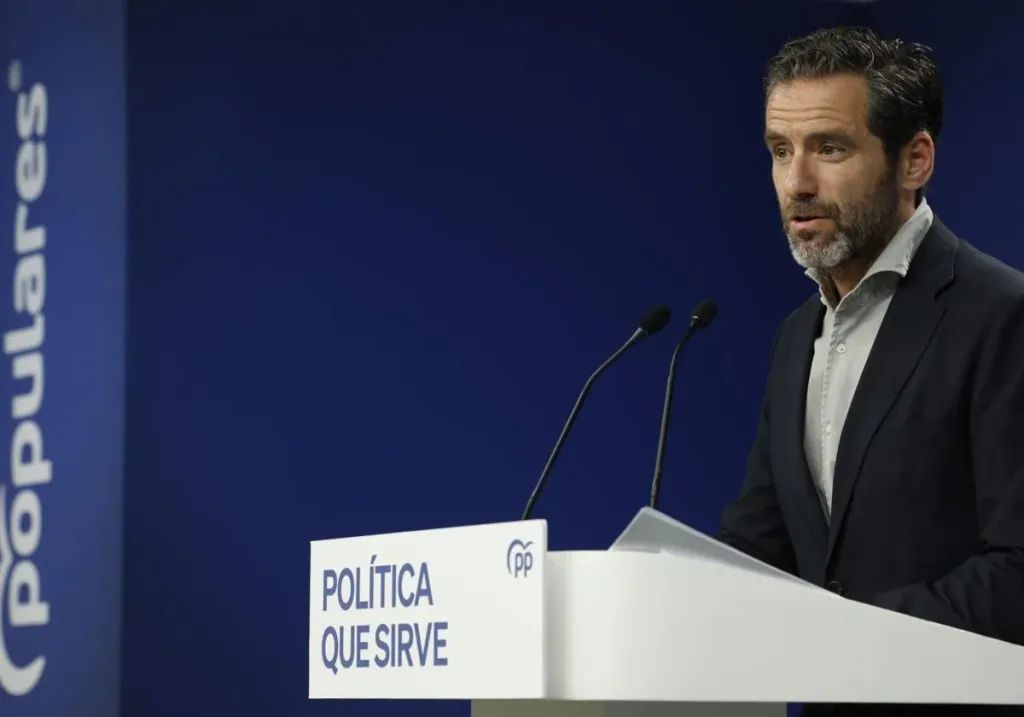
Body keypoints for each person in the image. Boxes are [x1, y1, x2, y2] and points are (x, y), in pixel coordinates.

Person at [717, 26, 1024, 716]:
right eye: (780, 150)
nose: (796, 183)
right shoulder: (798, 337)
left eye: (829, 148)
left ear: (914, 160)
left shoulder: (1002, 317)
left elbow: (1019, 569)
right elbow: (762, 542)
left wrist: (846, 638)